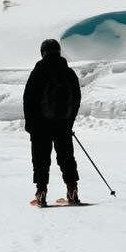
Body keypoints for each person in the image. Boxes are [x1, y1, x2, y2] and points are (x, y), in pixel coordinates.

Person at [23, 38, 82, 205]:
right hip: (63, 124)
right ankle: (72, 189)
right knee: (66, 157)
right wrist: (69, 121)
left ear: (43, 52)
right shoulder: (68, 73)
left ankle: (41, 192)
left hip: (40, 126)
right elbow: (76, 99)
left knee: (41, 159)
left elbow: (28, 100)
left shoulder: (38, 71)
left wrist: (30, 124)